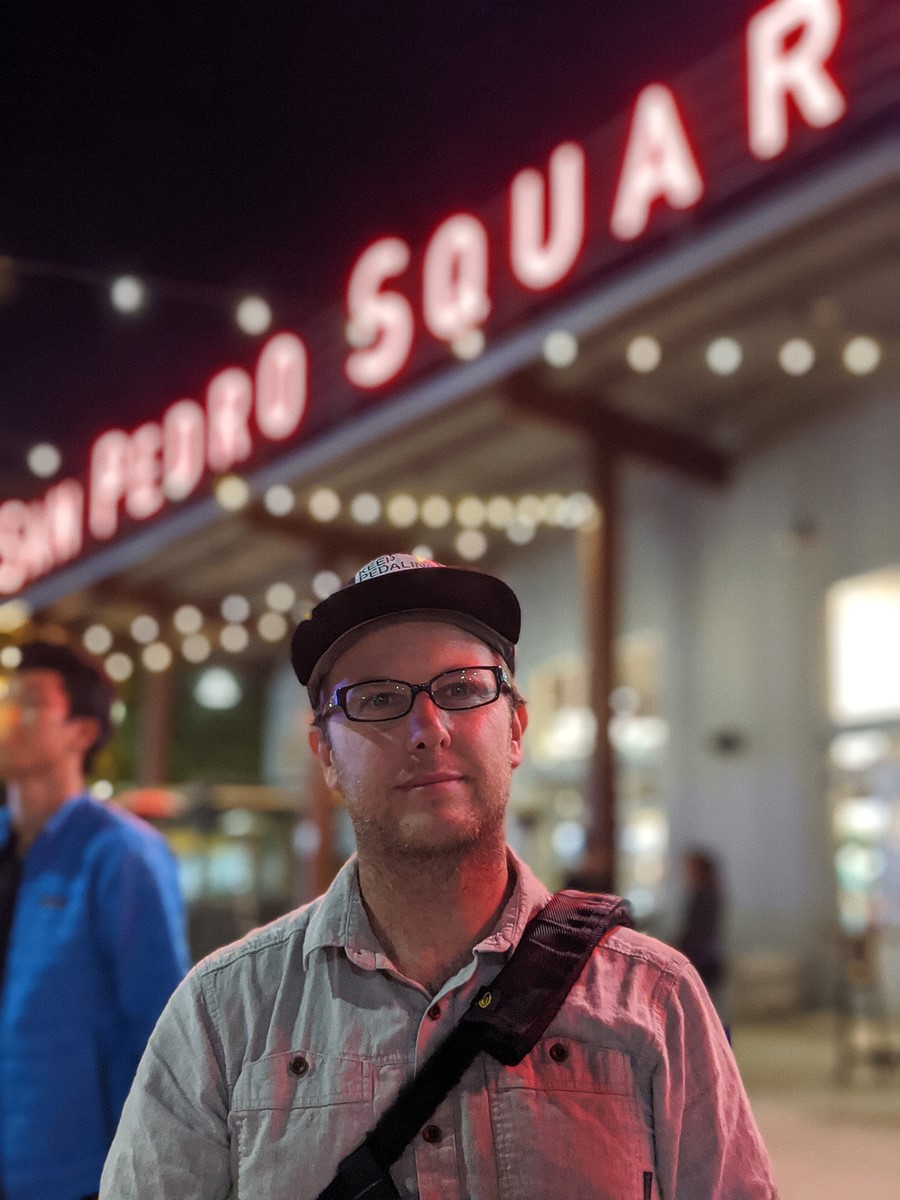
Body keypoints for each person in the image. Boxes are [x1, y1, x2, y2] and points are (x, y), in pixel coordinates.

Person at [101, 554, 778, 1199]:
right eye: (376, 699)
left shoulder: (655, 1000)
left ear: (515, 729)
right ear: (325, 755)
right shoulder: (223, 1013)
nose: (428, 729)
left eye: (461, 690)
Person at [0, 640, 190, 1200]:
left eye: (30, 702)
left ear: (81, 733)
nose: (8, 713)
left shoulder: (123, 854)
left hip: (73, 1172)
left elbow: (157, 1028)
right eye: (7, 696)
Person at [676, 847, 727, 1019]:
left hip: (701, 959)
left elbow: (696, 930)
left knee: (703, 1009)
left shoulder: (703, 896)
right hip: (706, 957)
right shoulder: (710, 893)